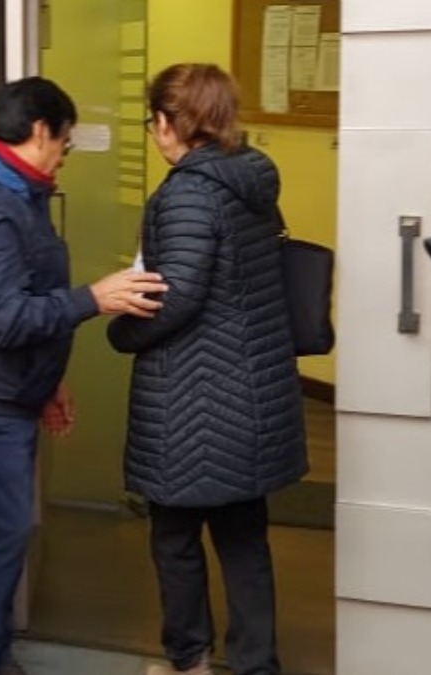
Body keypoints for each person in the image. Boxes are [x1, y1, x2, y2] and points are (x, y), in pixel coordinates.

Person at [0, 76, 169, 675]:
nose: (65, 155)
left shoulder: (14, 190)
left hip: (7, 393)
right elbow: (6, 318)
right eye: (65, 142)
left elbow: (21, 299)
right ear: (40, 132)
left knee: (5, 533)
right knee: (2, 535)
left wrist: (46, 383)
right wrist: (96, 297)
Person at [106, 64, 308, 675]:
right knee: (245, 542)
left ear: (170, 123)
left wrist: (121, 330)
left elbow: (182, 294)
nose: (153, 133)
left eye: (153, 121)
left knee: (175, 540)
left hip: (192, 401)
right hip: (250, 395)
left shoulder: (188, 191)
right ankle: (255, 664)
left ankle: (188, 661)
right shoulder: (249, 178)